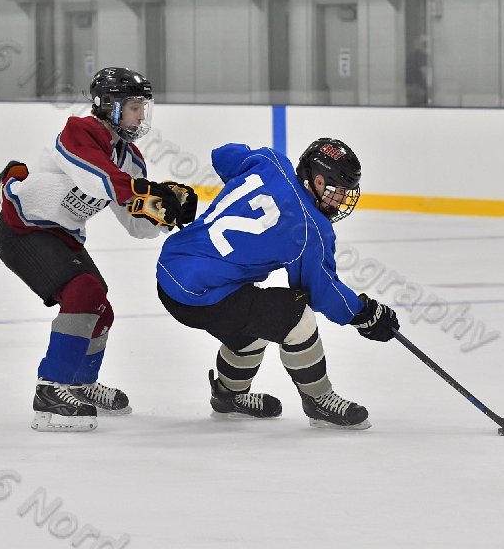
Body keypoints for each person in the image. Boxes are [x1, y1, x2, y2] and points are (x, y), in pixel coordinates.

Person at [0, 66, 197, 432]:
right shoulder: (79, 132)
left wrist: (164, 215)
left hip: (64, 236)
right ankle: (50, 390)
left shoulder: (130, 159)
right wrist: (143, 191)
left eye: (142, 108)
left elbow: (134, 222)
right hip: (23, 230)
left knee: (100, 308)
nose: (141, 115)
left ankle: (79, 384)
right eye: (134, 107)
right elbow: (97, 177)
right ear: (109, 107)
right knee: (84, 293)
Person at [157, 138, 399, 430]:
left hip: (171, 269)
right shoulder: (311, 229)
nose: (341, 200)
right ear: (318, 181)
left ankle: (229, 396)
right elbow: (320, 291)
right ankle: (319, 400)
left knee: (251, 327)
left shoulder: (269, 161)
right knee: (297, 318)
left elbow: (223, 155)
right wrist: (363, 313)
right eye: (338, 192)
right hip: (203, 295)